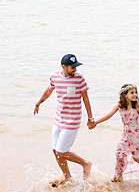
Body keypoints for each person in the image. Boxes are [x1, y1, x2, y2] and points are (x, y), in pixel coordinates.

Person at [34, 53, 95, 185]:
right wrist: (38, 103)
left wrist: (90, 118)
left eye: (76, 67)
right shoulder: (54, 76)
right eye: (72, 67)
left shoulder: (79, 79)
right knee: (56, 151)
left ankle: (85, 163)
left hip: (72, 121)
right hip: (58, 119)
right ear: (64, 67)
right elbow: (49, 91)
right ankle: (68, 177)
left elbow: (85, 98)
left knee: (62, 151)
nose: (75, 69)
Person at [90, 84, 139, 183]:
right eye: (132, 93)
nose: (134, 95)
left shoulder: (137, 107)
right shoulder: (120, 106)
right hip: (126, 134)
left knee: (138, 157)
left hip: (136, 135)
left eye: (135, 92)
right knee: (119, 153)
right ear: (125, 94)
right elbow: (108, 115)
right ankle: (118, 176)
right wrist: (95, 123)